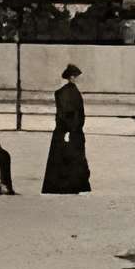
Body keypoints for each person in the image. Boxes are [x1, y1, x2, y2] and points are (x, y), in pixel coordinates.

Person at [43, 62, 91, 196]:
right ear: (72, 77)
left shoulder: (68, 91)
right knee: (69, 158)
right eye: (77, 76)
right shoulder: (67, 93)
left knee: (68, 158)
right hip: (69, 131)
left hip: (70, 130)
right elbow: (66, 113)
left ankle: (72, 185)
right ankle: (70, 186)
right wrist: (68, 130)